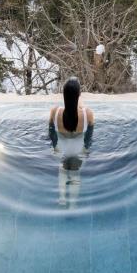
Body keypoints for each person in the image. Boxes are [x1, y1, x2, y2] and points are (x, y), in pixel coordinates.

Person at [48, 78, 94, 207]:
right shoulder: (88, 114)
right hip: (78, 149)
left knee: (62, 169)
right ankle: (73, 205)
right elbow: (89, 137)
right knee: (75, 173)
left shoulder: (55, 111)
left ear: (63, 94)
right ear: (79, 95)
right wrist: (86, 149)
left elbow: (51, 132)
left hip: (61, 148)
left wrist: (54, 147)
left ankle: (62, 198)